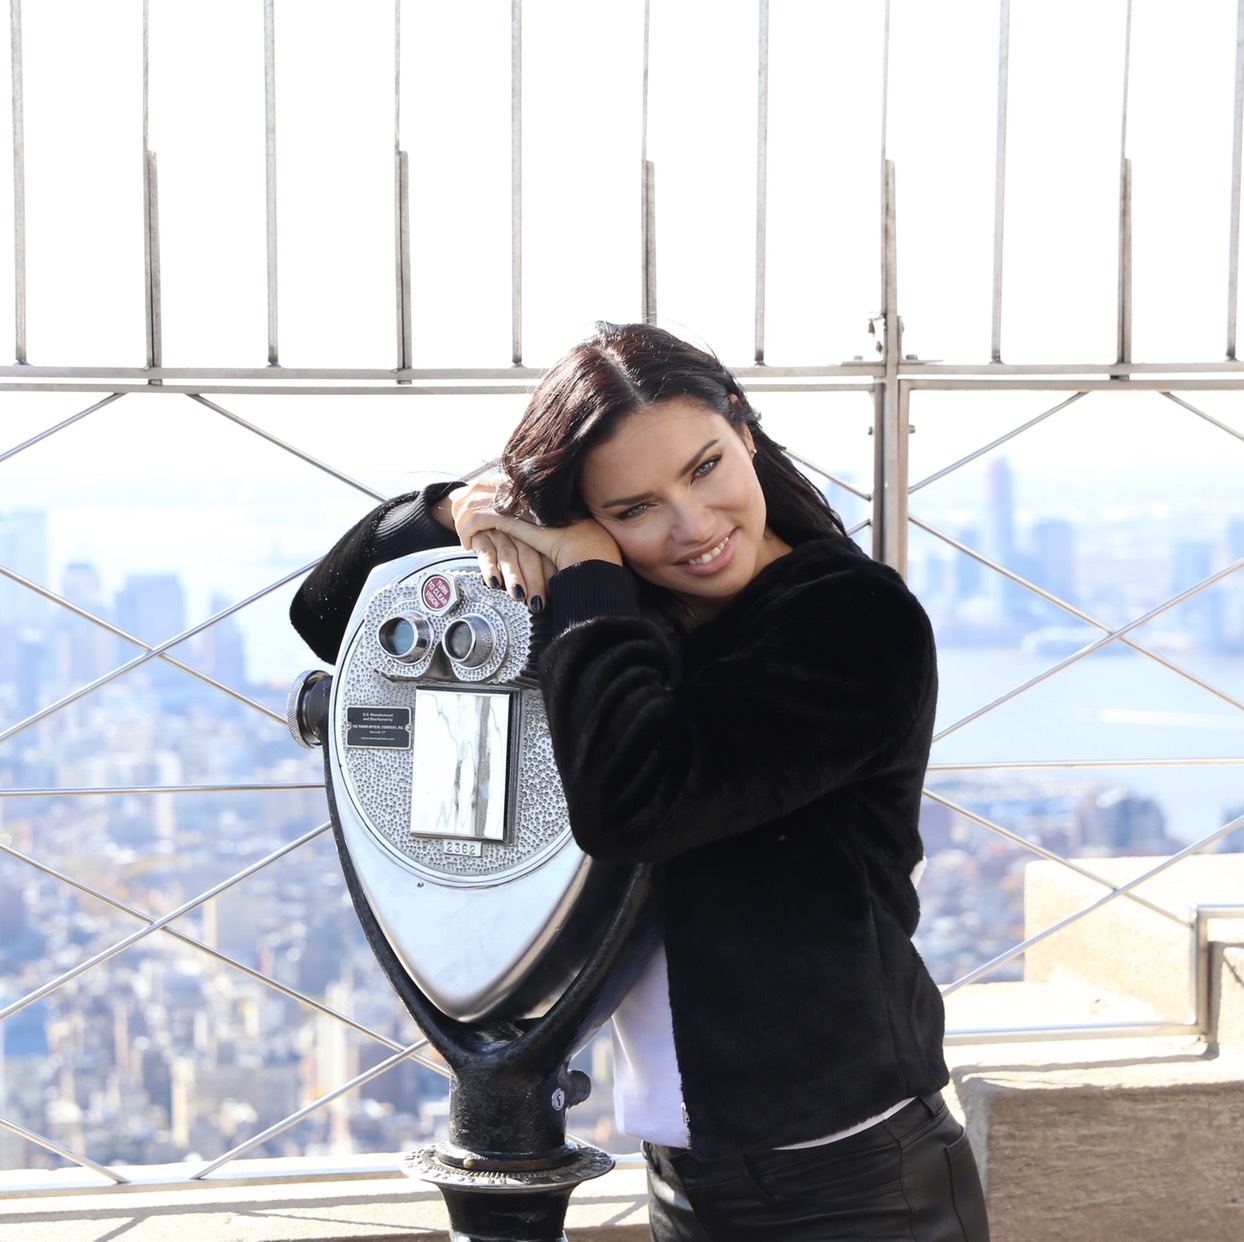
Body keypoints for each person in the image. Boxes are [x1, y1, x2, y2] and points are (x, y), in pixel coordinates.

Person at [290, 321, 990, 1241]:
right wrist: (466, 505)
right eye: (634, 509)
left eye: (704, 469)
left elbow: (637, 801)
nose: (692, 527)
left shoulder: (853, 624)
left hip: (850, 1182)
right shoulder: (641, 614)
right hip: (695, 1176)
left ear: (743, 426)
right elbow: (331, 615)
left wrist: (585, 567)